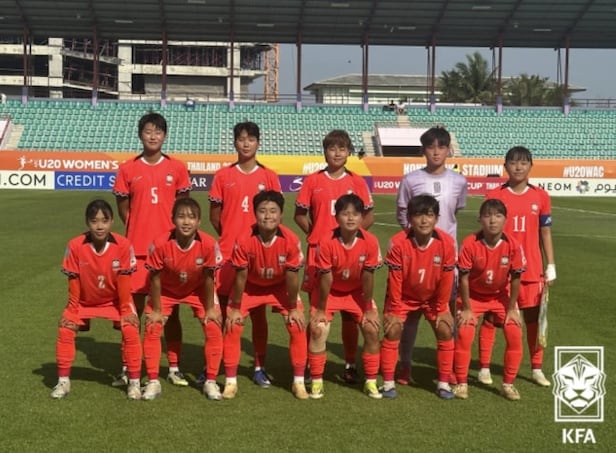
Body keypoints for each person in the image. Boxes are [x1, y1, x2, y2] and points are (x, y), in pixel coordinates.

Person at [112, 112, 192, 388]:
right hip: (136, 251)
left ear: (165, 136)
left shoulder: (177, 168)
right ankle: (128, 366)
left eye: (158, 132)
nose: (153, 136)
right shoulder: (128, 169)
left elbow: (184, 208)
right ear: (140, 135)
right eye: (148, 131)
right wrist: (137, 227)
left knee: (171, 312)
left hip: (168, 251)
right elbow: (124, 208)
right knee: (132, 311)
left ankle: (174, 367)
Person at [295, 129, 374, 384]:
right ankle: (312, 363)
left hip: (349, 254)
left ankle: (350, 363)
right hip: (319, 253)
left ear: (349, 151)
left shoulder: (358, 182)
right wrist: (316, 235)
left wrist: (353, 238)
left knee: (350, 314)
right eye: (332, 148)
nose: (337, 153)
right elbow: (299, 214)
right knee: (317, 310)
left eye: (342, 148)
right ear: (325, 152)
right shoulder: (313, 181)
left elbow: (369, 216)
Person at [208, 121, 281, 388]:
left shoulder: (269, 176)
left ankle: (259, 366)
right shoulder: (223, 176)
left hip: (259, 255)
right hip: (229, 254)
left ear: (258, 143)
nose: (246, 143)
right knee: (224, 311)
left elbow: (275, 216)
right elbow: (215, 217)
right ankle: (217, 363)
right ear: (235, 143)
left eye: (251, 139)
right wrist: (232, 238)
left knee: (258, 314)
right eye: (241, 139)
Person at [479, 146, 556, 387]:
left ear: (531, 166)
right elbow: (487, 232)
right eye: (513, 163)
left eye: (523, 163)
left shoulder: (541, 196)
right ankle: (484, 367)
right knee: (492, 317)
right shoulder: (495, 194)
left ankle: (536, 368)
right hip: (501, 269)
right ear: (505, 166)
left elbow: (545, 232)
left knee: (533, 319)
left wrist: (551, 264)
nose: (518, 167)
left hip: (532, 269)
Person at [395, 126, 467, 385]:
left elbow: (455, 212)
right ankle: (405, 365)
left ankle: (449, 369)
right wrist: (418, 239)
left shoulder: (459, 181)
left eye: (441, 147)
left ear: (449, 150)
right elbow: (402, 214)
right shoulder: (410, 180)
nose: (436, 152)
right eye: (431, 147)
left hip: (447, 259)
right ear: (423, 150)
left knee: (446, 313)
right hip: (416, 257)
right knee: (411, 315)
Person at [51, 199, 142, 400]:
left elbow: (125, 282)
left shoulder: (123, 245)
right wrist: (72, 310)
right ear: (87, 222)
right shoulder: (75, 245)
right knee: (66, 327)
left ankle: (134, 382)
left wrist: (126, 310)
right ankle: (63, 382)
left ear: (111, 222)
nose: (100, 226)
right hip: (84, 302)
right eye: (94, 221)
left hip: (115, 302)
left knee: (131, 328)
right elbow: (73, 282)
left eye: (104, 220)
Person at [222, 191, 308, 400]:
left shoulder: (291, 240)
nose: (268, 216)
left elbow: (292, 277)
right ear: (255, 214)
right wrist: (235, 308)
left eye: (273, 211)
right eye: (262, 211)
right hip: (251, 287)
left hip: (279, 287)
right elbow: (240, 277)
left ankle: (298, 382)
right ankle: (230, 382)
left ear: (281, 215)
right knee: (233, 324)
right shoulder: (244, 239)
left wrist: (293, 308)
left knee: (296, 324)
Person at [141, 198, 224, 401]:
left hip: (198, 289)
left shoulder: (208, 244)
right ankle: (153, 381)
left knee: (213, 325)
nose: (186, 222)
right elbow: (155, 278)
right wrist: (157, 310)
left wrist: (210, 308)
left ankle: (211, 381)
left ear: (199, 221)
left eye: (191, 217)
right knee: (153, 325)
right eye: (181, 217)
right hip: (166, 290)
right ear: (173, 219)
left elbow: (209, 277)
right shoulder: (160, 244)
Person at [380, 194, 456, 399]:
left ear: (437, 218)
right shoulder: (397, 243)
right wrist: (395, 310)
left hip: (433, 298)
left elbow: (447, 279)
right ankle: (389, 382)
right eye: (418, 215)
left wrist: (443, 308)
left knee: (445, 328)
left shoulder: (447, 243)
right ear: (409, 218)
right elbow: (395, 280)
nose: (424, 220)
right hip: (403, 297)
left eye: (429, 215)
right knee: (393, 329)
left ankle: (443, 383)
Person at [307, 194, 382, 399]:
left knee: (372, 328)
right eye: (345, 213)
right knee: (318, 329)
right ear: (336, 216)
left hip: (356, 293)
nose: (350, 218)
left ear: (362, 217)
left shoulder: (370, 242)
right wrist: (321, 309)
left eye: (355, 214)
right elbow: (325, 278)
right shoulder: (326, 241)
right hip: (329, 293)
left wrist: (368, 308)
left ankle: (371, 381)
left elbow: (368, 276)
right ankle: (316, 381)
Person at [453, 199, 525, 400]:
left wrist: (512, 309)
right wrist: (467, 308)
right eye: (488, 216)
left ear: (505, 220)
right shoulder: (470, 243)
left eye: (498, 216)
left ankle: (508, 384)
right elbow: (463, 278)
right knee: (465, 332)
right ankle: (461, 383)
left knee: (514, 331)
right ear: (480, 219)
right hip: (472, 297)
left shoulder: (513, 245)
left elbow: (516, 277)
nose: (493, 220)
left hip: (500, 296)